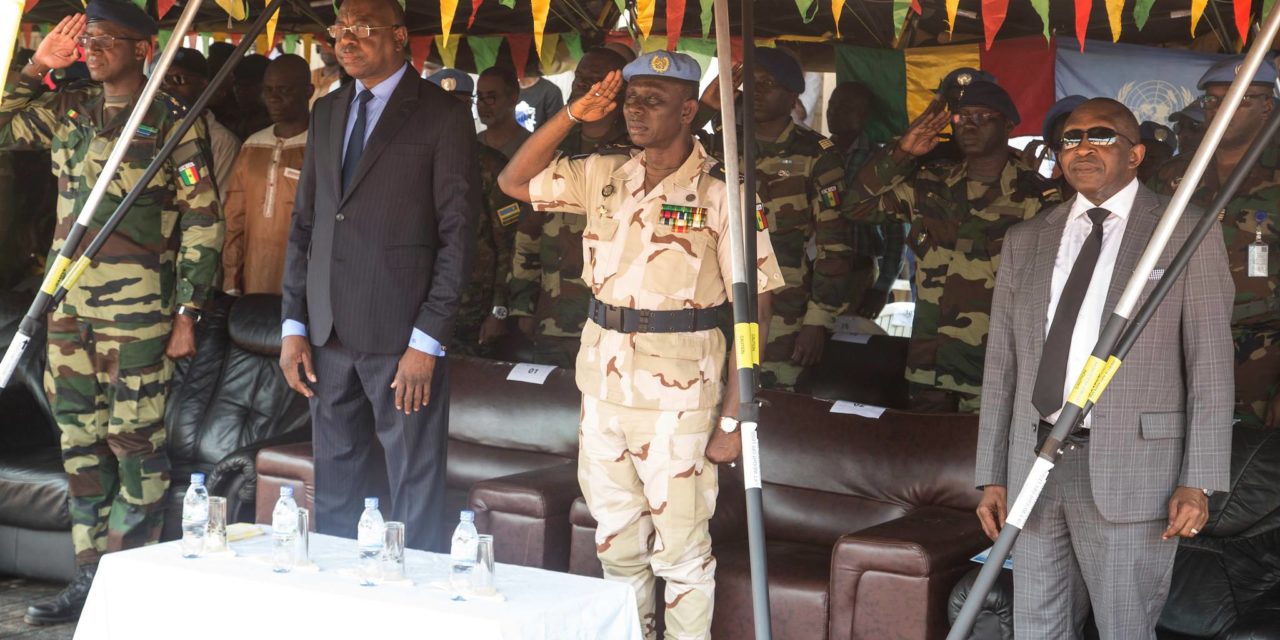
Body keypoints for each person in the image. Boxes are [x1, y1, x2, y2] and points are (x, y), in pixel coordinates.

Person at [498, 50, 783, 639]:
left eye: (652, 100)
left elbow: (756, 308)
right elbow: (514, 181)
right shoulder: (604, 172)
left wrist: (735, 415)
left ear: (688, 109)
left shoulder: (722, 192)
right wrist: (572, 115)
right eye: (630, 98)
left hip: (680, 398)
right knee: (616, 545)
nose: (635, 110)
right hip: (603, 385)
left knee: (680, 554)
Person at [975, 98, 1232, 638]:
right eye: (1070, 138)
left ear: (1136, 153)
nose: (1083, 148)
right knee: (1036, 625)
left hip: (1132, 468)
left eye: (1101, 136)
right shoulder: (1027, 240)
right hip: (1035, 461)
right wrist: (992, 472)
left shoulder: (1185, 230)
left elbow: (1210, 361)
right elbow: (1003, 365)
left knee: (1123, 627)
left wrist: (1200, 481)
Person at [0, 1, 221, 624]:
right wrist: (35, 69)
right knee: (79, 444)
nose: (91, 48)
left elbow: (204, 219)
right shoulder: (67, 109)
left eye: (106, 40)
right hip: (67, 307)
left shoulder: (171, 122)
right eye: (87, 38)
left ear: (142, 48)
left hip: (139, 314)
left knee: (134, 444)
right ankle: (87, 577)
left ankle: (128, 582)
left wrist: (188, 313)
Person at [279, 0, 479, 552]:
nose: (346, 39)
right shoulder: (327, 111)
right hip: (327, 335)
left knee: (413, 492)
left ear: (399, 37)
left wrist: (427, 341)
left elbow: (459, 237)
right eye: (340, 29)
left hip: (402, 340)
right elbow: (306, 227)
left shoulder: (441, 114)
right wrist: (294, 324)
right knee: (335, 492)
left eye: (362, 28)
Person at [845, 80, 1061, 413]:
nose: (969, 124)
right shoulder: (930, 184)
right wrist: (902, 152)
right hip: (928, 369)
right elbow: (856, 206)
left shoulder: (1038, 197)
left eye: (982, 116)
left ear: (1007, 125)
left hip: (994, 375)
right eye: (961, 117)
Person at [699, 47, 853, 391]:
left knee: (768, 398)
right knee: (707, 394)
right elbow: (669, 144)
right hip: (714, 298)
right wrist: (707, 106)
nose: (755, 92)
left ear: (793, 95)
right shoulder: (720, 145)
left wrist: (818, 320)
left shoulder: (817, 155)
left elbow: (835, 245)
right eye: (748, 83)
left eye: (768, 83)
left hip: (784, 307)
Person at [1152, 56, 1280, 428]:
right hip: (1182, 345)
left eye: (1238, 99)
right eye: (1212, 101)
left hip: (1264, 351)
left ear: (1266, 106)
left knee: (1254, 474)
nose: (1220, 110)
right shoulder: (1175, 176)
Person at [507, 47, 631, 367]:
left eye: (598, 80)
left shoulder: (638, 150)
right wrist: (521, 303)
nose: (586, 87)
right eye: (581, 79)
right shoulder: (551, 144)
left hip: (615, 324)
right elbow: (528, 230)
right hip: (555, 316)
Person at [429, 66, 528, 356]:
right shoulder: (409, 165)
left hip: (472, 310)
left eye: (457, 106)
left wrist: (498, 310)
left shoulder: (490, 165)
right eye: (438, 107)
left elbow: (510, 244)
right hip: (421, 304)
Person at [222, 54, 312, 296]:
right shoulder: (253, 146)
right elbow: (234, 220)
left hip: (304, 282)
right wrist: (231, 280)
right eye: (268, 90)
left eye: (284, 90)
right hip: (253, 279)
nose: (273, 98)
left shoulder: (323, 147)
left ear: (308, 91)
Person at [827, 80, 906, 321]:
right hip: (813, 270)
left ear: (862, 115)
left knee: (847, 347)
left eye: (845, 106)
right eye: (832, 104)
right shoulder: (816, 152)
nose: (834, 111)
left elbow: (896, 229)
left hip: (856, 274)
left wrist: (883, 286)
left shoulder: (879, 160)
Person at [162, 48, 241, 199]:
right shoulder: (149, 130)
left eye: (178, 79)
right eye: (163, 79)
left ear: (204, 84)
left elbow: (217, 201)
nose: (168, 87)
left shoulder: (221, 141)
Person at [477, 66, 531, 159]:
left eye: (491, 97)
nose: (482, 104)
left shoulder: (531, 146)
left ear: (512, 99)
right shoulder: (473, 143)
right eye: (479, 96)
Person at [230, 53, 271, 139]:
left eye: (246, 86)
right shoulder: (240, 120)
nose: (238, 91)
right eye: (236, 85)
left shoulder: (275, 125)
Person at [310, 38, 342, 106]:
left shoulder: (344, 78)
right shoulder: (311, 74)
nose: (326, 51)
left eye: (330, 47)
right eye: (323, 47)